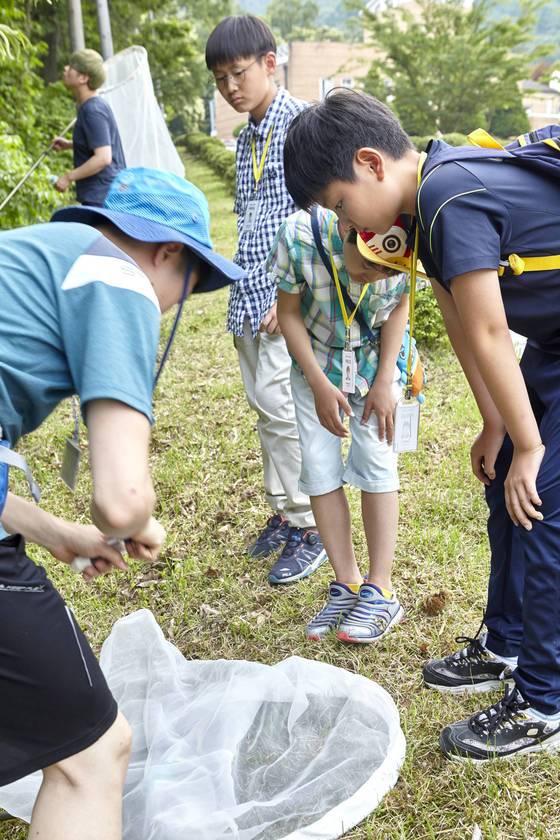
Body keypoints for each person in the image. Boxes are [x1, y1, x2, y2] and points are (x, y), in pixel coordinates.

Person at [281, 88, 560, 761]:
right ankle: (506, 643)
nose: (347, 230)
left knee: (543, 498)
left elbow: (494, 331)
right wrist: (496, 426)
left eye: (341, 209)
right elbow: (465, 328)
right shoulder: (427, 213)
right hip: (553, 343)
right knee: (504, 488)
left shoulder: (449, 197)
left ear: (372, 164)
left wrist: (531, 444)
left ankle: (545, 703)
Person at [0, 166, 242, 839]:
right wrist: (140, 520)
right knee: (94, 751)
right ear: (167, 253)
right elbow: (122, 495)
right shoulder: (118, 278)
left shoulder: (38, 259)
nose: (169, 306)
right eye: (186, 287)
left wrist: (52, 531)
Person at [205, 15, 327, 585]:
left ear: (270, 64)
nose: (231, 87)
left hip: (284, 300)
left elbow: (319, 212)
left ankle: (311, 528)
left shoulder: (300, 123)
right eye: (220, 78)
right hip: (247, 292)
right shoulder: (246, 136)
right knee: (264, 410)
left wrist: (292, 295)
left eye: (239, 72)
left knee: (283, 410)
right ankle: (283, 511)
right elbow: (251, 216)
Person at [269, 205, 410, 642]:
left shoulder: (406, 234)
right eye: (365, 266)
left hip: (376, 366)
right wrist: (316, 382)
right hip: (317, 365)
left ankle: (380, 589)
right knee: (318, 468)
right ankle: (347, 584)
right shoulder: (298, 236)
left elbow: (400, 306)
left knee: (377, 464)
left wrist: (386, 381)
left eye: (383, 270)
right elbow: (289, 313)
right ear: (346, 229)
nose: (372, 278)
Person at [52, 48, 125, 206]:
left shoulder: (93, 110)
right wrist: (70, 145)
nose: (66, 69)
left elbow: (103, 157)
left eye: (71, 67)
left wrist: (68, 177)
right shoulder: (89, 107)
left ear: (83, 78)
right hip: (101, 195)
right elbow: (99, 143)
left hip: (104, 197)